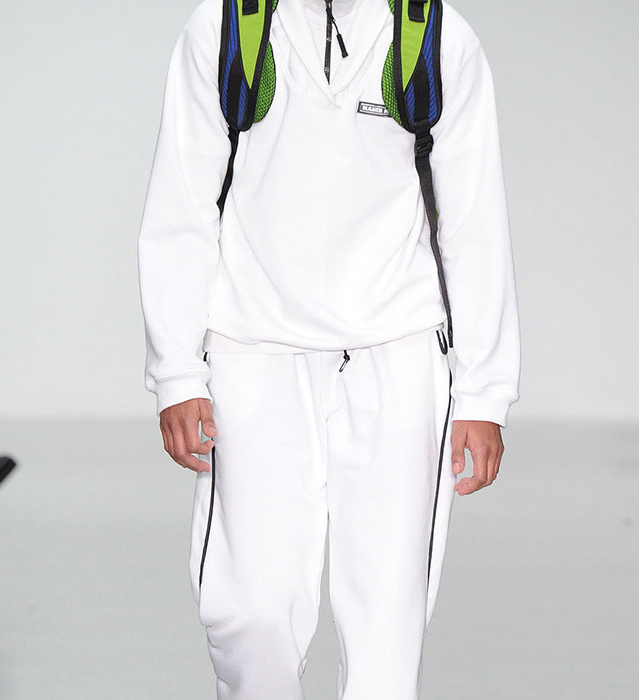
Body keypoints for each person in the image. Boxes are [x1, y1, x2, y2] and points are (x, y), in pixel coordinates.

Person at [137, 0, 521, 696]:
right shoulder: (226, 28)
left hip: (399, 352)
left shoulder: (435, 37)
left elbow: (473, 221)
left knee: (388, 626)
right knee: (250, 613)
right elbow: (181, 206)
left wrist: (483, 392)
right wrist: (177, 374)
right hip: (253, 352)